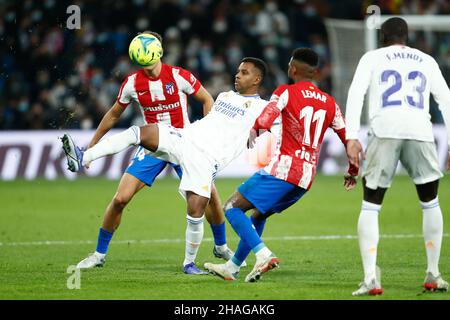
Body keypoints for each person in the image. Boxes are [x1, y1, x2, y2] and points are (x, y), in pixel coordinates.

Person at [61, 57, 269, 274]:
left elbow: (274, 126)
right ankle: (83, 157)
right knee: (137, 135)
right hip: (183, 137)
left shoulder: (263, 108)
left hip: (204, 157)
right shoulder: (225, 96)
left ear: (257, 79)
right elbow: (214, 118)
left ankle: (203, 256)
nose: (237, 75)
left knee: (200, 207)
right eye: (237, 71)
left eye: (244, 73)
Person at [203, 48, 358, 283]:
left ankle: (263, 255)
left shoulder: (285, 91)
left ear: (293, 69)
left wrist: (256, 129)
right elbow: (349, 139)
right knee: (259, 215)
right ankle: (232, 267)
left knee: (232, 207)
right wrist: (353, 171)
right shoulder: (330, 103)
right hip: (306, 178)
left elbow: (266, 117)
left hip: (284, 168)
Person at [345, 17, 450, 296]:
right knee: (430, 202)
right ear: (407, 37)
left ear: (383, 37)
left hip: (385, 129)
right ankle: (433, 273)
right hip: (421, 130)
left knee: (371, 205)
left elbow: (357, 92)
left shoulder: (372, 57)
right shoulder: (426, 60)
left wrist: (352, 136)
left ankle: (371, 279)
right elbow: (446, 98)